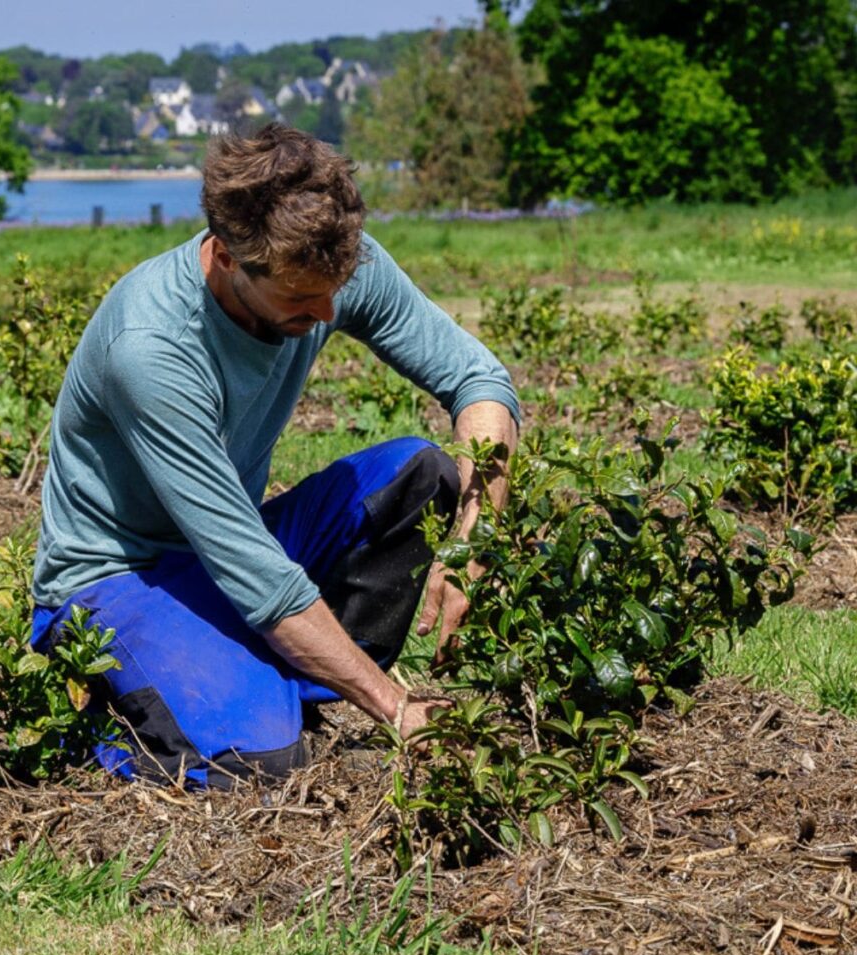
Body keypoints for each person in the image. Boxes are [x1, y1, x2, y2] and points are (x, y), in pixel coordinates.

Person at [30, 123, 520, 789]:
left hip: (228, 550)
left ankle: (272, 683)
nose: (327, 311)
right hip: (119, 578)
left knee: (421, 476)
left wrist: (472, 544)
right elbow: (259, 579)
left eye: (335, 286)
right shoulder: (151, 348)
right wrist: (395, 709)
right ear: (227, 257)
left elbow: (480, 382)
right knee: (257, 764)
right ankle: (109, 713)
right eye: (299, 298)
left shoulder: (332, 263)